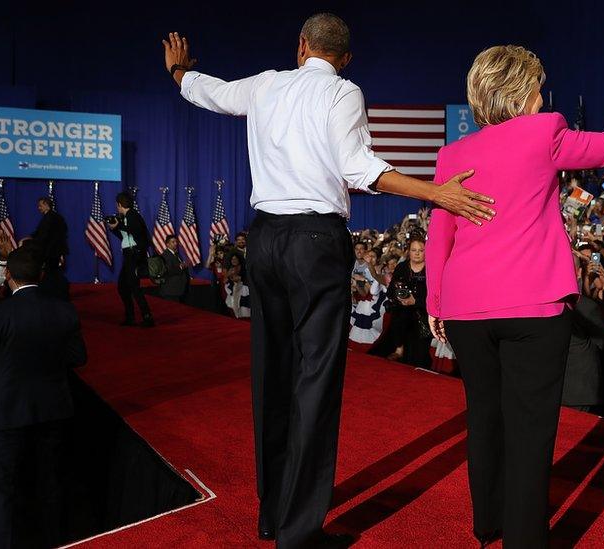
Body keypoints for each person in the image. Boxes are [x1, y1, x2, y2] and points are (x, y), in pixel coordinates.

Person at [163, 14, 495, 547]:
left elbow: (212, 92)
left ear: (301, 46)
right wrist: (436, 193)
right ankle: (297, 532)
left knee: (271, 374)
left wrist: (178, 73)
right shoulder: (343, 92)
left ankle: (271, 514)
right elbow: (358, 167)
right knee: (314, 380)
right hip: (315, 244)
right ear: (345, 59)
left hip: (265, 241)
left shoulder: (268, 83)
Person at [426, 43, 604, 546]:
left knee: (484, 417)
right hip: (533, 308)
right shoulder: (544, 131)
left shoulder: (452, 153)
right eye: (537, 85)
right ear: (522, 91)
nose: (543, 94)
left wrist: (435, 303)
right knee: (529, 432)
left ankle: (488, 522)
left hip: (466, 307)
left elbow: (440, 233)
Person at [0, 245, 87, 548]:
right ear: (40, 274)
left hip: (3, 416)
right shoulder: (64, 309)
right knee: (50, 487)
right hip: (52, 412)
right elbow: (78, 357)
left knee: (1, 494)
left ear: (8, 275)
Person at [369, 235, 431, 368]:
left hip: (423, 314)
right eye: (414, 250)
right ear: (409, 251)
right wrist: (399, 297)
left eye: (421, 250)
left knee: (420, 360)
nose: (417, 253)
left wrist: (416, 301)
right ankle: (399, 349)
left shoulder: (432, 268)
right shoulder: (402, 267)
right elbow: (391, 289)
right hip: (401, 314)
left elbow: (436, 294)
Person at [107, 192, 155, 327]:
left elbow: (135, 232)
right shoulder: (126, 217)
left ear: (119, 204)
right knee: (122, 287)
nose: (117, 208)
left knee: (134, 287)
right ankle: (130, 316)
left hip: (135, 255)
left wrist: (119, 226)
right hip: (128, 255)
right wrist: (114, 228)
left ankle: (147, 317)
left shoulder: (133, 216)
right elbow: (125, 236)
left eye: (117, 205)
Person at [30, 196, 70, 300]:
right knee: (54, 272)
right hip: (54, 250)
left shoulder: (50, 218)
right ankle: (57, 290)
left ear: (46, 205)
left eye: (40, 205)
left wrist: (32, 240)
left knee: (51, 272)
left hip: (51, 251)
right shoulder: (56, 217)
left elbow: (44, 235)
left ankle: (52, 291)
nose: (38, 208)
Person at [159, 234, 190, 302]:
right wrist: (181, 267)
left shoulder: (175, 254)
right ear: (167, 244)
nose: (175, 243)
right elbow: (168, 271)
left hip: (177, 290)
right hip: (171, 291)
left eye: (176, 241)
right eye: (173, 242)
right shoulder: (166, 255)